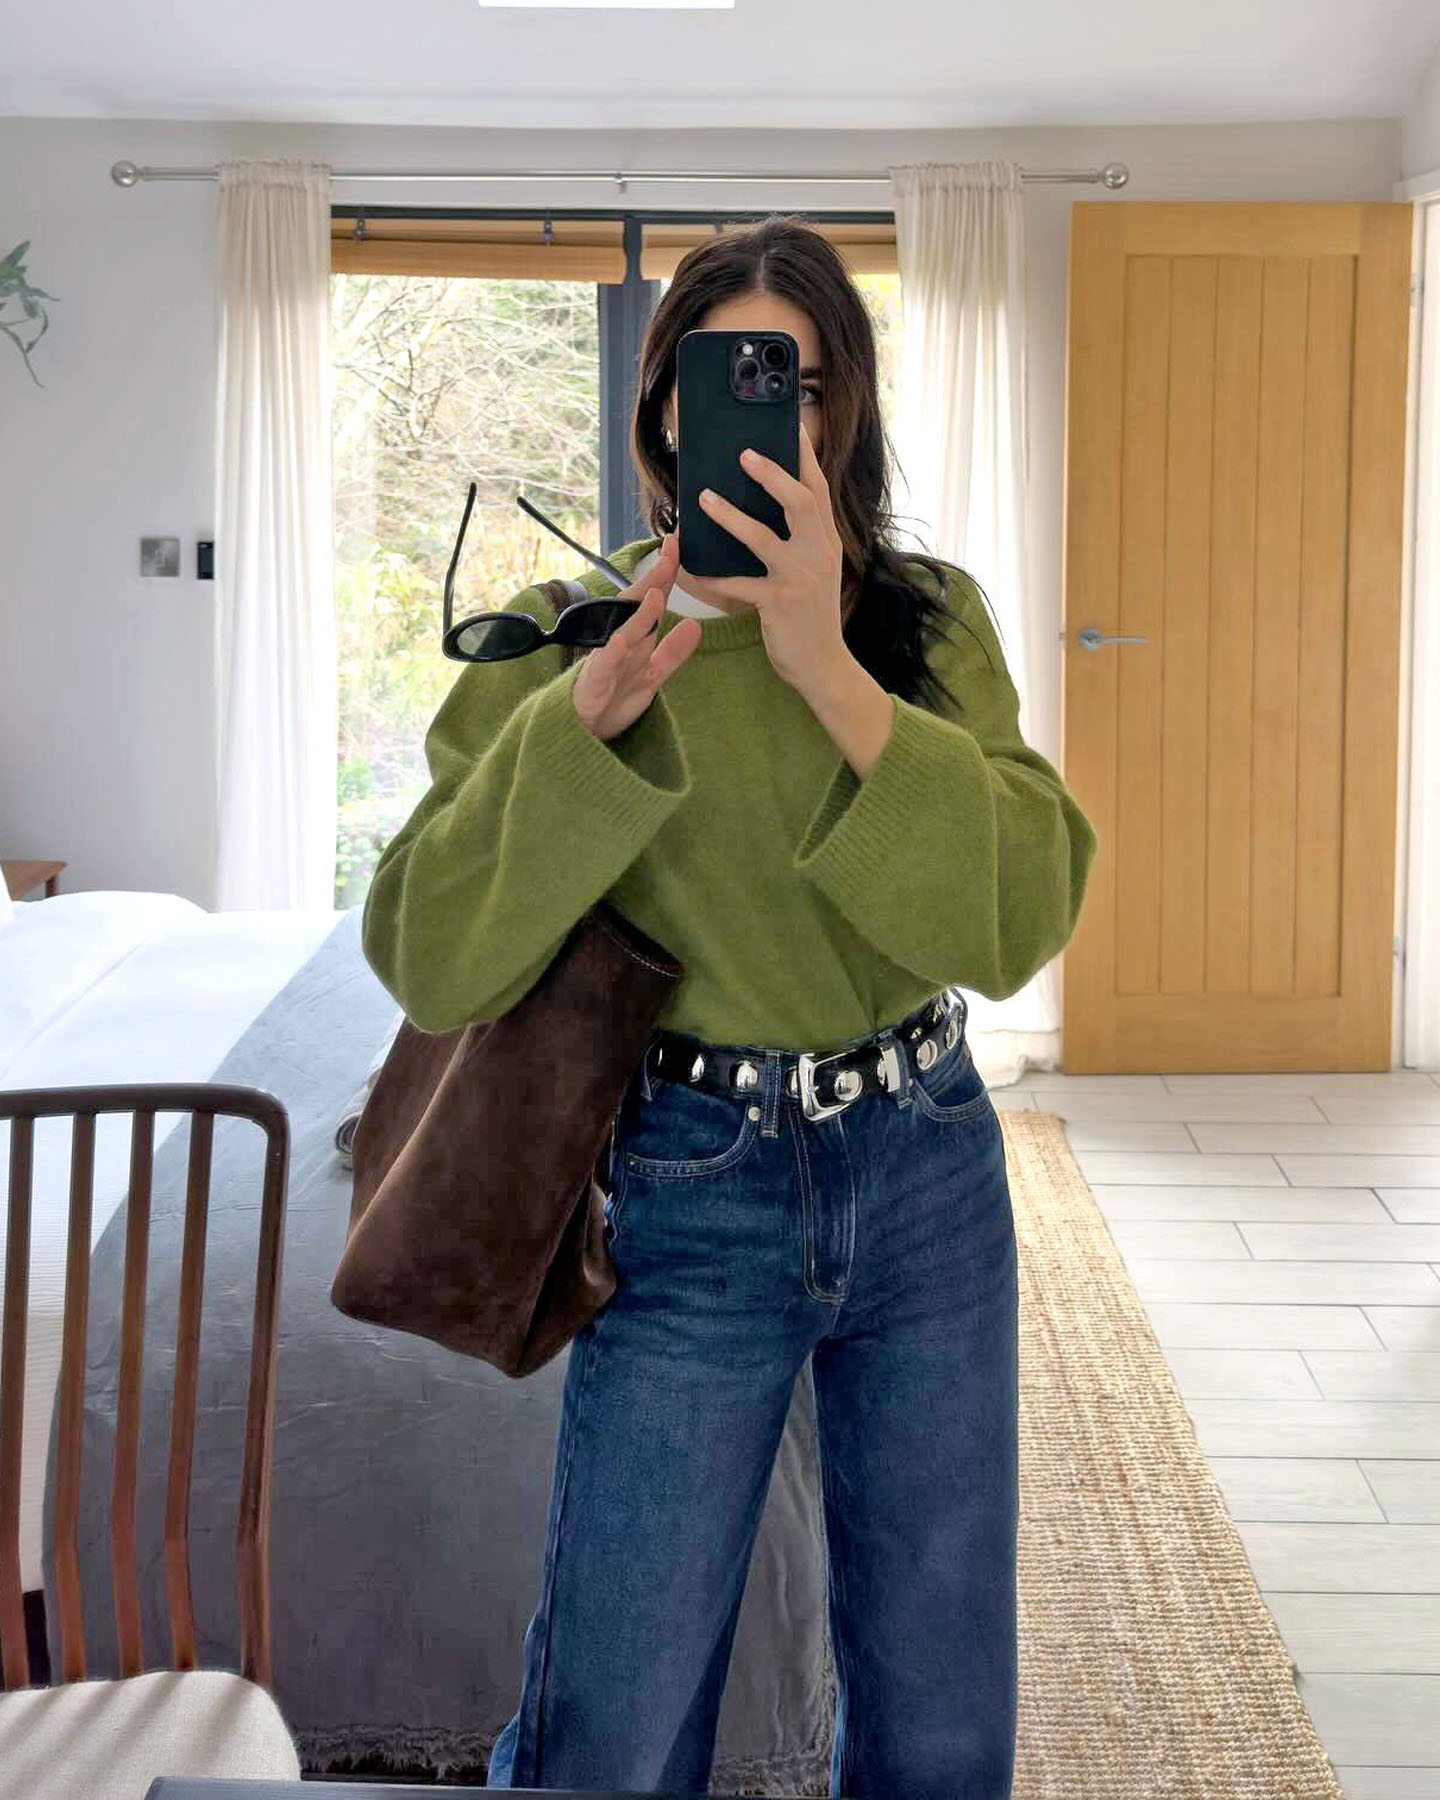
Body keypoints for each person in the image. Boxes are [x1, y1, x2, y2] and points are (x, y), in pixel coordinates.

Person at [361, 212, 1099, 1800]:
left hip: (928, 1172)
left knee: (946, 1713)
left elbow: (1024, 918)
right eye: (725, 379)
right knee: (613, 1728)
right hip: (689, 1191)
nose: (770, 419)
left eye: (802, 382)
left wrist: (829, 664)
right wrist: (583, 728)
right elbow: (426, 953)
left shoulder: (926, 624)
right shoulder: (576, 637)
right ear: (665, 414)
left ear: (844, 416)